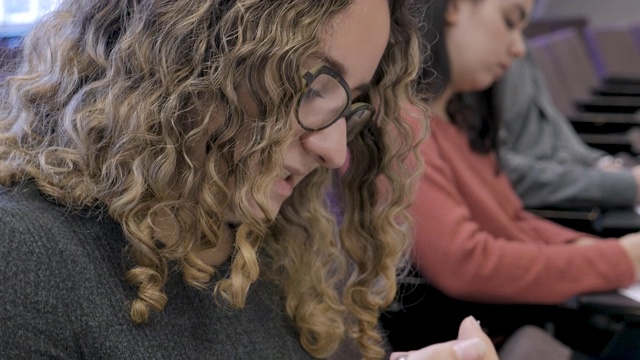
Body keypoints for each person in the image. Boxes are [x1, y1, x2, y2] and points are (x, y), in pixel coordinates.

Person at [0, 0, 500, 359]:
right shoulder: (26, 258)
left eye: (350, 103)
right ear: (189, 56)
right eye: (311, 86)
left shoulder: (291, 249)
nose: (334, 150)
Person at [380, 0, 640, 357]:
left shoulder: (459, 117)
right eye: (509, 21)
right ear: (455, 7)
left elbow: (513, 218)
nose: (519, 48)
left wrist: (587, 248)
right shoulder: (403, 124)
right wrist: (616, 259)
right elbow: (466, 262)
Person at [497, 51, 640, 210]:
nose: (519, 46)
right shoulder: (483, 71)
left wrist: (597, 162)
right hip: (549, 201)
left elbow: (551, 119)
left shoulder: (518, 50)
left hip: (570, 178)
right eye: (510, 25)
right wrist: (623, 185)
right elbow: (506, 175)